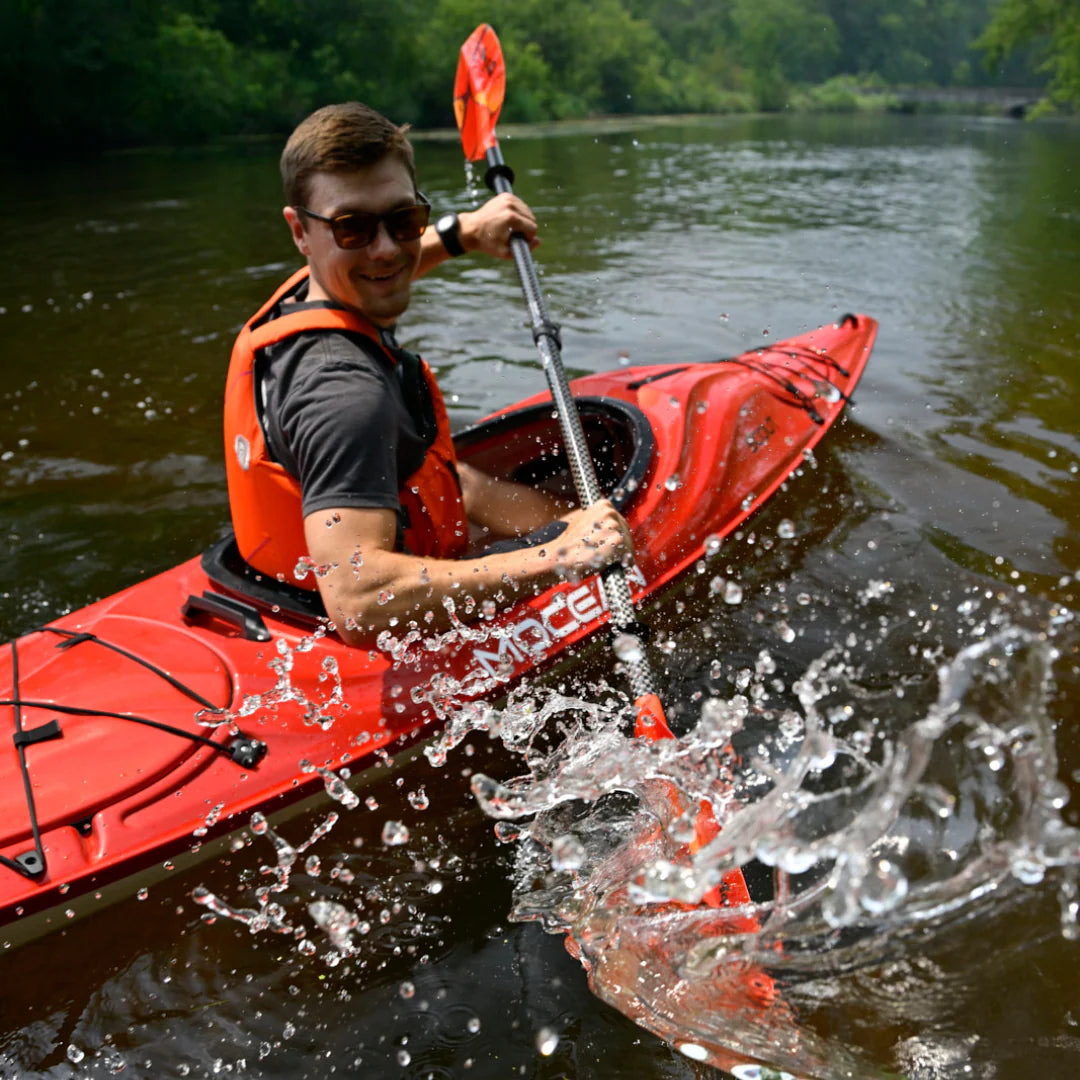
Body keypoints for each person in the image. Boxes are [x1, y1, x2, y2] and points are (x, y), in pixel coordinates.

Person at [224, 102, 632, 646]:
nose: (388, 248)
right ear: (301, 231)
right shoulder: (346, 396)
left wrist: (465, 232)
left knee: (466, 484)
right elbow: (359, 601)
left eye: (403, 220)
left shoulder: (307, 296)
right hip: (347, 626)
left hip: (283, 585)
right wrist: (559, 555)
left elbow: (377, 266)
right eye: (353, 228)